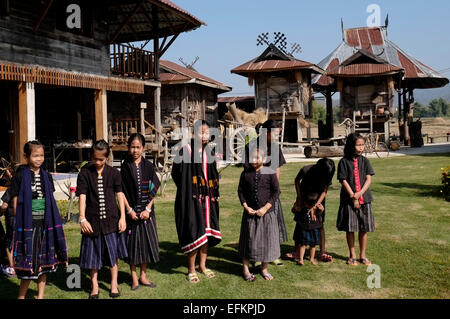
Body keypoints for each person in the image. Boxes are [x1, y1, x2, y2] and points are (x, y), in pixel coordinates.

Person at [10, 141, 68, 299]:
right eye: (35, 156)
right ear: (26, 156)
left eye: (41, 156)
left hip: (45, 223)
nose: (39, 159)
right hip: (28, 224)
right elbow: (15, 198)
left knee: (44, 263)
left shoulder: (46, 176)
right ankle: (21, 296)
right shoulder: (21, 175)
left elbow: (50, 199)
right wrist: (18, 218)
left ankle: (40, 296)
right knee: (28, 262)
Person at [172, 120, 221, 283]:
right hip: (192, 200)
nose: (205, 135)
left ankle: (202, 265)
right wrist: (189, 191)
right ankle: (191, 269)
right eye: (202, 132)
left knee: (206, 232)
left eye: (207, 132)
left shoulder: (210, 152)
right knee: (193, 231)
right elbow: (176, 174)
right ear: (194, 133)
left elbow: (213, 174)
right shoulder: (185, 151)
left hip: (208, 200)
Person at [76, 140, 127, 298]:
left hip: (111, 220)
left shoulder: (114, 173)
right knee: (93, 256)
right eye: (95, 159)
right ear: (91, 156)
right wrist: (82, 218)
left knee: (113, 254)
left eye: (101, 159)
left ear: (107, 158)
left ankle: (113, 284)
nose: (97, 162)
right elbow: (82, 196)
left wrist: (123, 217)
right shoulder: (85, 173)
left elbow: (119, 195)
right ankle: (95, 286)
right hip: (92, 221)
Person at [244, 120, 287, 267]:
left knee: (272, 225)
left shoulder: (275, 148)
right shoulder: (251, 146)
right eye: (275, 134)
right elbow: (247, 171)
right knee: (254, 226)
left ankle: (272, 255)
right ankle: (255, 256)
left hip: (270, 192)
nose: (276, 138)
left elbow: (277, 168)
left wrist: (275, 189)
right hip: (255, 192)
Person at [121, 133, 160, 290]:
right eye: (132, 147)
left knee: (146, 244)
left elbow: (154, 188)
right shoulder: (125, 167)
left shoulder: (149, 167)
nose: (135, 150)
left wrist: (147, 209)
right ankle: (134, 277)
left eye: (138, 147)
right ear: (128, 148)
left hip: (146, 214)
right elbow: (121, 191)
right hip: (131, 213)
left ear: (143, 148)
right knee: (131, 246)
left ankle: (143, 275)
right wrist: (129, 210)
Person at [238, 146, 280, 281]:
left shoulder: (270, 172)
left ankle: (264, 268)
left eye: (257, 157)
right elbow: (240, 192)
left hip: (266, 213)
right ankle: (245, 269)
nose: (254, 160)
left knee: (266, 241)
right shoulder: (245, 174)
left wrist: (265, 208)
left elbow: (276, 192)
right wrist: (246, 206)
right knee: (248, 241)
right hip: (250, 213)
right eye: (251, 158)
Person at [336, 133, 375, 266]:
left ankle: (362, 255)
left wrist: (360, 194)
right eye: (358, 145)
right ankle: (352, 255)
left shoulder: (365, 161)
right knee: (350, 228)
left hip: (365, 199)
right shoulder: (343, 162)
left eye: (362, 145)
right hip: (348, 200)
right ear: (351, 145)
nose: (361, 148)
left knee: (364, 228)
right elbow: (343, 180)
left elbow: (369, 179)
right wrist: (353, 196)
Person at [287, 158, 335, 262]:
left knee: (319, 224)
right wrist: (299, 198)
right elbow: (296, 180)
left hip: (318, 199)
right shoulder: (306, 170)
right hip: (304, 197)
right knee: (300, 223)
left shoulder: (327, 172)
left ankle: (322, 252)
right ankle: (296, 251)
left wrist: (317, 205)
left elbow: (324, 190)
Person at [293, 193, 323, 265]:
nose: (309, 206)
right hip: (304, 229)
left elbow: (320, 213)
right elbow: (294, 210)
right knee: (303, 244)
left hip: (314, 229)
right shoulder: (302, 208)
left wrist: (321, 209)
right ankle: (301, 259)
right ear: (305, 202)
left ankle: (312, 259)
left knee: (313, 245)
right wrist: (296, 208)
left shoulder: (316, 209)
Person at [1, 187, 16, 278]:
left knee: (9, 242)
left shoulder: (11, 189)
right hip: (26, 218)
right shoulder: (27, 188)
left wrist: (0, 212)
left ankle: (12, 268)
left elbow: (4, 206)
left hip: (12, 218)